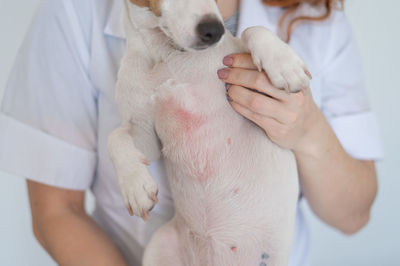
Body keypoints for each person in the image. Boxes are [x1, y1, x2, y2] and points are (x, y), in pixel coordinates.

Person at [0, 0, 383, 265]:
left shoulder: (313, 18)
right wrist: (124, 148)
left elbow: (353, 216)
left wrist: (308, 130)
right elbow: (55, 212)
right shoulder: (76, 14)